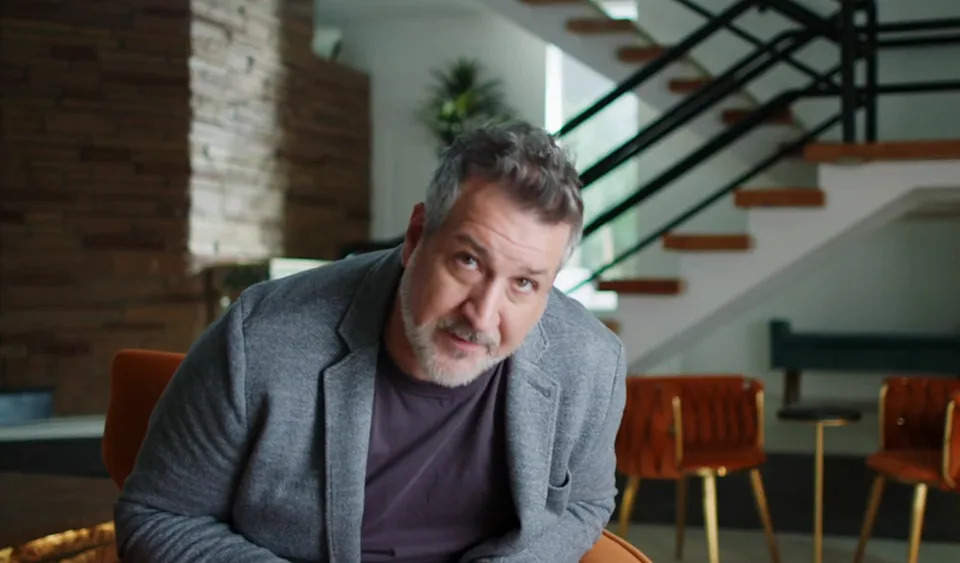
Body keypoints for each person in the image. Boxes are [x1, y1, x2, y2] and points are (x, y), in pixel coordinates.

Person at [115, 122, 627, 562]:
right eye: (468, 261)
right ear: (415, 236)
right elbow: (159, 515)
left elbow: (584, 502)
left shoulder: (589, 363)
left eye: (524, 284)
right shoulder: (262, 336)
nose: (483, 314)